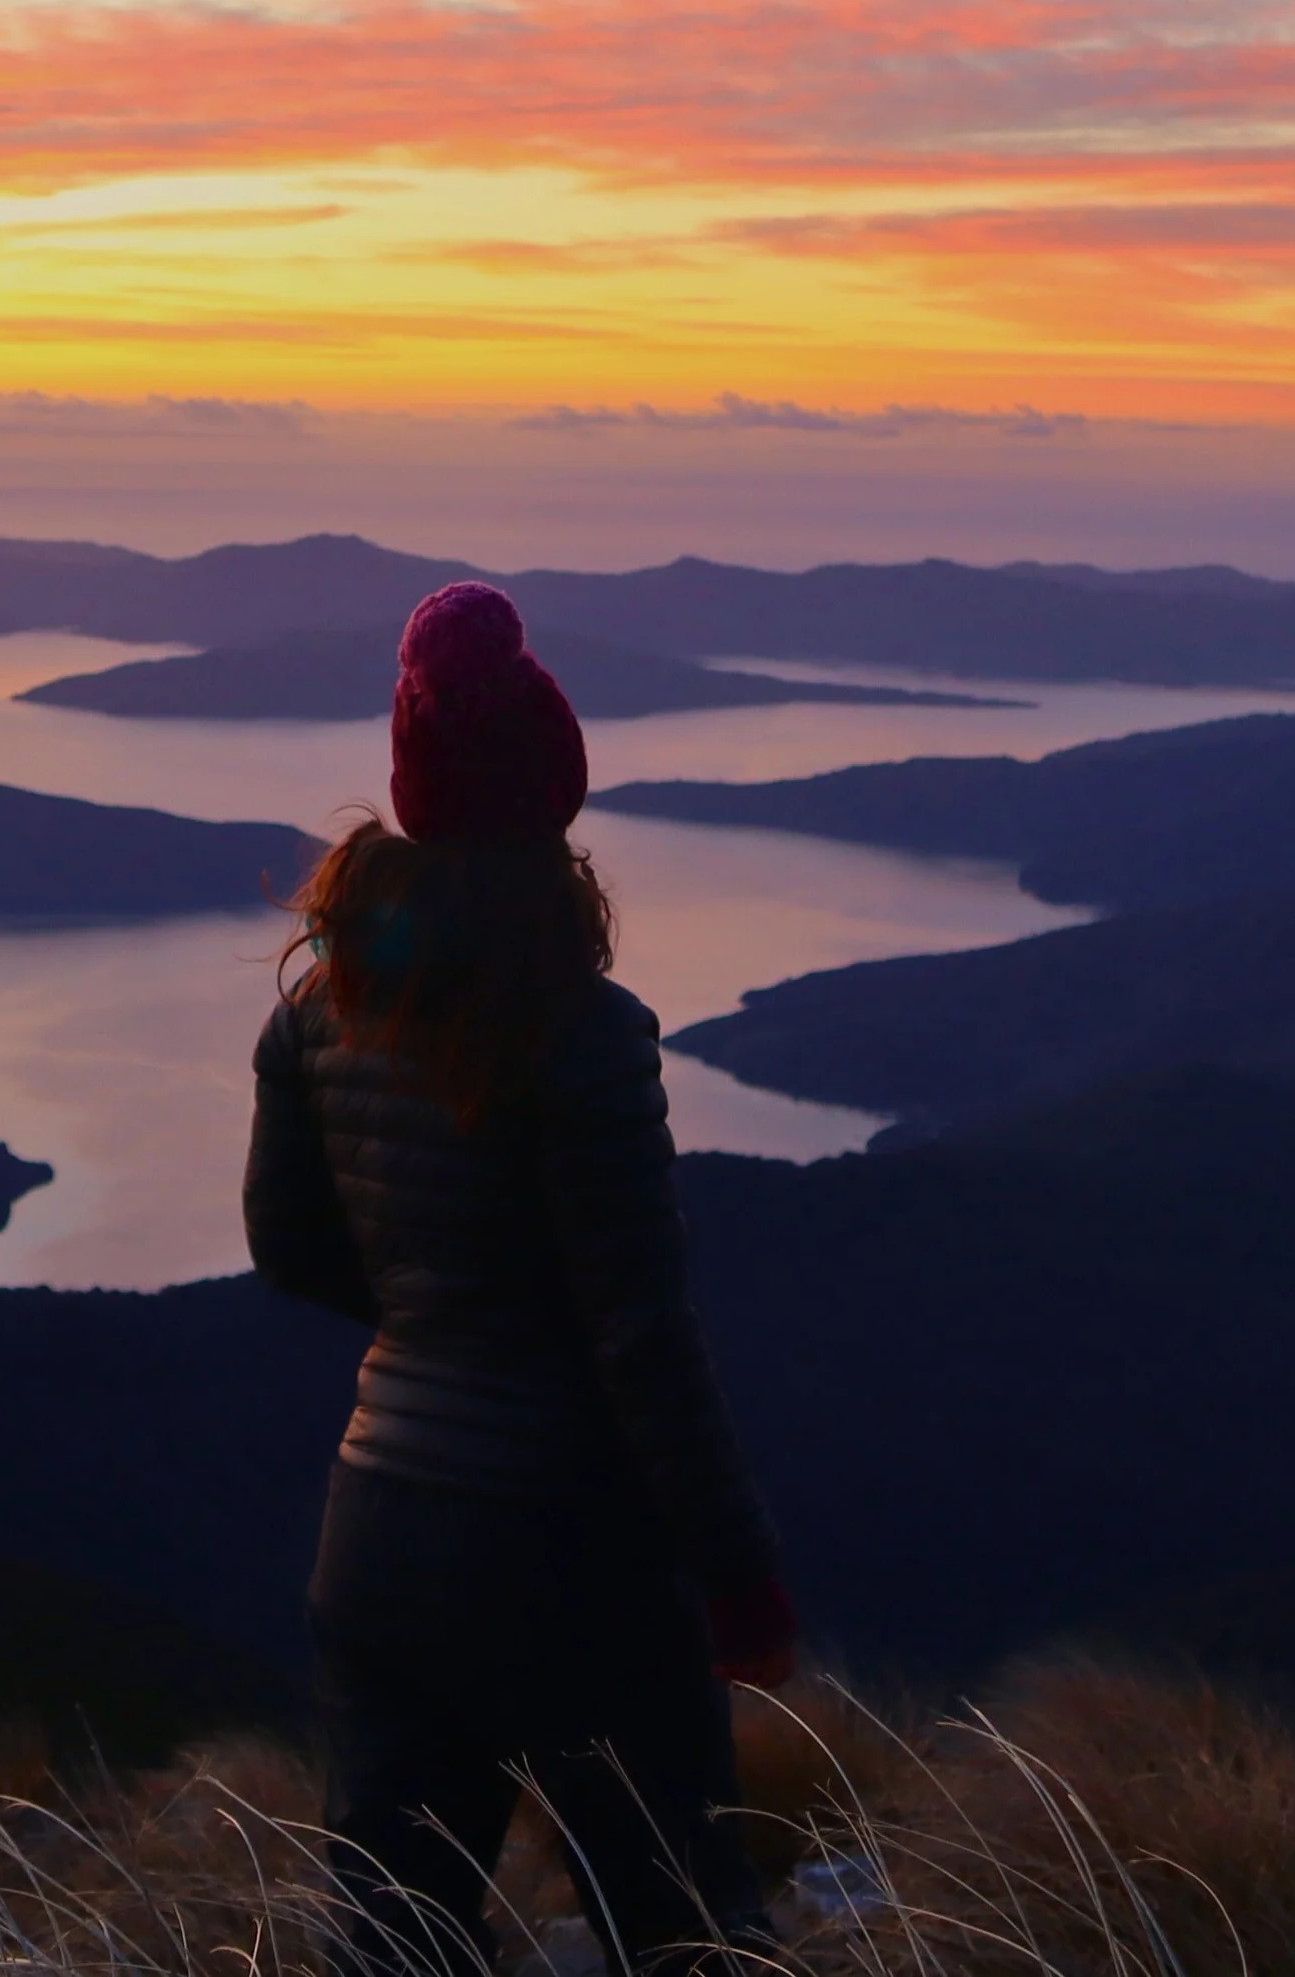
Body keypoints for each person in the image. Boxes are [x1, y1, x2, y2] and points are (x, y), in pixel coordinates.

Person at [244, 580, 795, 1975]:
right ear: (553, 797)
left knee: (392, 1934)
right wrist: (739, 1582)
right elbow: (640, 1338)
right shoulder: (585, 1032)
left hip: (375, 1535)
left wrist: (442, 1322)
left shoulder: (321, 1015)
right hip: (565, 1553)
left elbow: (290, 1249)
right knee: (683, 1927)